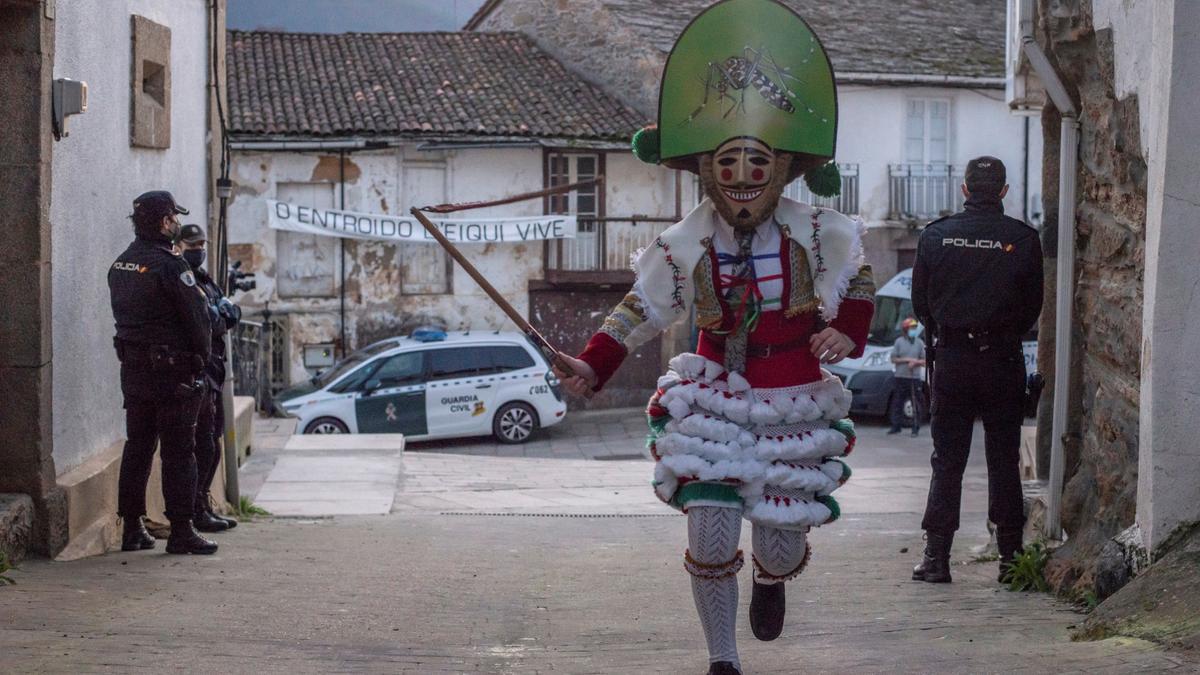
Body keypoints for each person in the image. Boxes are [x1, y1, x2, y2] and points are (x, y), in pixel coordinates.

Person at [552, 3, 874, 672]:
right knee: (710, 524)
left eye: (757, 163)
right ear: (706, 167)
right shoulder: (684, 244)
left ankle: (772, 574)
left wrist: (846, 331)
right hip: (712, 396)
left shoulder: (820, 233)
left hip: (792, 397)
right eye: (728, 164)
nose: (743, 179)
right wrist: (591, 364)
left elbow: (861, 280)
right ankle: (722, 658)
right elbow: (640, 306)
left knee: (782, 544)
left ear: (782, 165)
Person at [910, 156, 1043, 584]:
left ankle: (936, 559)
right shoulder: (1022, 239)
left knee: (947, 460)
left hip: (952, 359)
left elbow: (920, 304)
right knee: (1003, 459)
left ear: (964, 190)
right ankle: (1010, 558)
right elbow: (1032, 308)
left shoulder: (936, 236)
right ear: (1004, 191)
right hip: (1002, 360)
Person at [109, 190, 218, 555]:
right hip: (173, 376)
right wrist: (201, 359)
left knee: (137, 447)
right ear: (165, 221)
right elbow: (199, 321)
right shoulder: (173, 267)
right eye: (173, 219)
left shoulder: (121, 263)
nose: (175, 225)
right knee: (178, 452)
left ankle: (132, 527)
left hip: (134, 373)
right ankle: (182, 529)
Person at [178, 224, 240, 533]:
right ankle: (193, 512)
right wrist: (221, 313)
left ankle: (201, 504)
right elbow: (209, 321)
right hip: (196, 373)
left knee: (211, 445)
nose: (199, 250)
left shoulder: (204, 279)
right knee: (200, 446)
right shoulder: (182, 277)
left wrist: (223, 312)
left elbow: (229, 315)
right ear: (179, 246)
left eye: (202, 244)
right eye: (193, 245)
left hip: (213, 373)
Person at [888, 317, 926, 437]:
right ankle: (896, 426)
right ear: (905, 329)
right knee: (898, 402)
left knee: (916, 402)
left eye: (914, 328)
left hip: (914, 378)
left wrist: (916, 362)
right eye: (911, 328)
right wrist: (907, 360)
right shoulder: (899, 342)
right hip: (901, 376)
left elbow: (925, 360)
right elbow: (893, 359)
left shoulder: (919, 343)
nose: (913, 330)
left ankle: (915, 427)